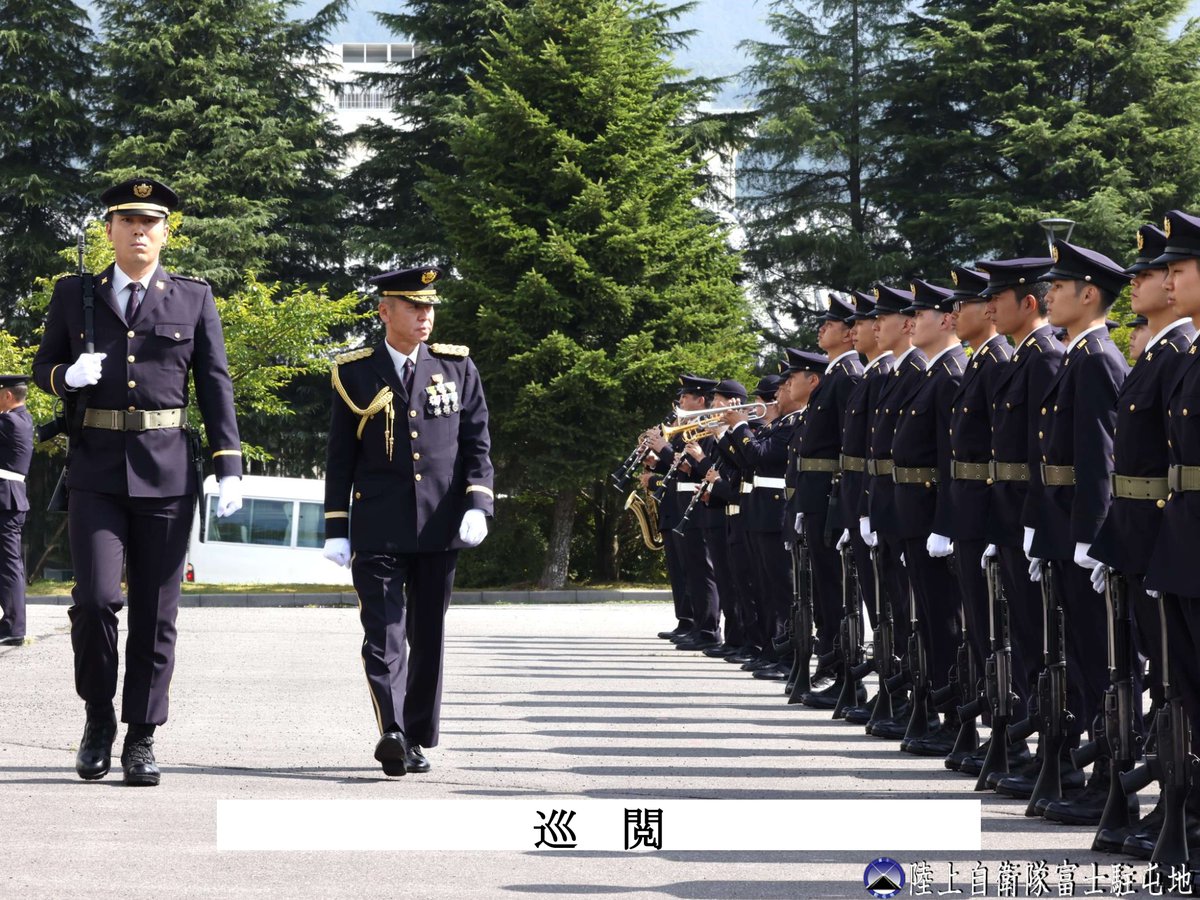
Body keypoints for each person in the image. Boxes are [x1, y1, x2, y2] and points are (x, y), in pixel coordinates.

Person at [32, 177, 243, 786]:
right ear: (110, 229)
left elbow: (215, 383)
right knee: (95, 600)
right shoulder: (76, 295)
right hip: (95, 468)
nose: (140, 231)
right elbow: (45, 365)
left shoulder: (193, 298)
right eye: (128, 221)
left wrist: (228, 463)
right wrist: (66, 376)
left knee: (156, 612)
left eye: (151, 222)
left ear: (166, 231)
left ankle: (141, 737)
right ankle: (99, 717)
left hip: (169, 470)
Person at [323, 266, 494, 777]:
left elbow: (477, 445)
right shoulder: (354, 372)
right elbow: (339, 456)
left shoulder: (457, 367)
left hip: (440, 525)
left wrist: (478, 504)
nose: (425, 316)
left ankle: (417, 733)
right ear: (385, 311)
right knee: (383, 634)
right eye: (414, 307)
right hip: (378, 526)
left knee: (428, 634)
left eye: (430, 307)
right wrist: (336, 526)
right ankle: (393, 731)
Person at [1014, 240, 1130, 812]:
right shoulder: (1079, 356)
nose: (1049, 295)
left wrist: (1092, 534)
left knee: (1100, 658)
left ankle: (1111, 779)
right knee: (1081, 659)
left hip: (1079, 531)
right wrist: (1041, 524)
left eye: (1058, 288)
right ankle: (1097, 776)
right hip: (1060, 529)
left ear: (1089, 295)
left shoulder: (1099, 358)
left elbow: (1099, 459)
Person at [940, 266, 1011, 767]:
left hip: (988, 514)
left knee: (999, 631)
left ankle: (1016, 728)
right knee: (985, 632)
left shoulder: (995, 363)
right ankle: (999, 725)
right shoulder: (980, 364)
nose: (957, 314)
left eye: (961, 305)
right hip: (969, 513)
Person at [0, 375, 33, 647]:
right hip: (11, 498)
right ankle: (12, 624)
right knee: (9, 564)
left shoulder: (8, 422)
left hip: (5, 499)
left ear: (8, 396)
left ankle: (13, 625)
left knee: (9, 565)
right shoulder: (24, 419)